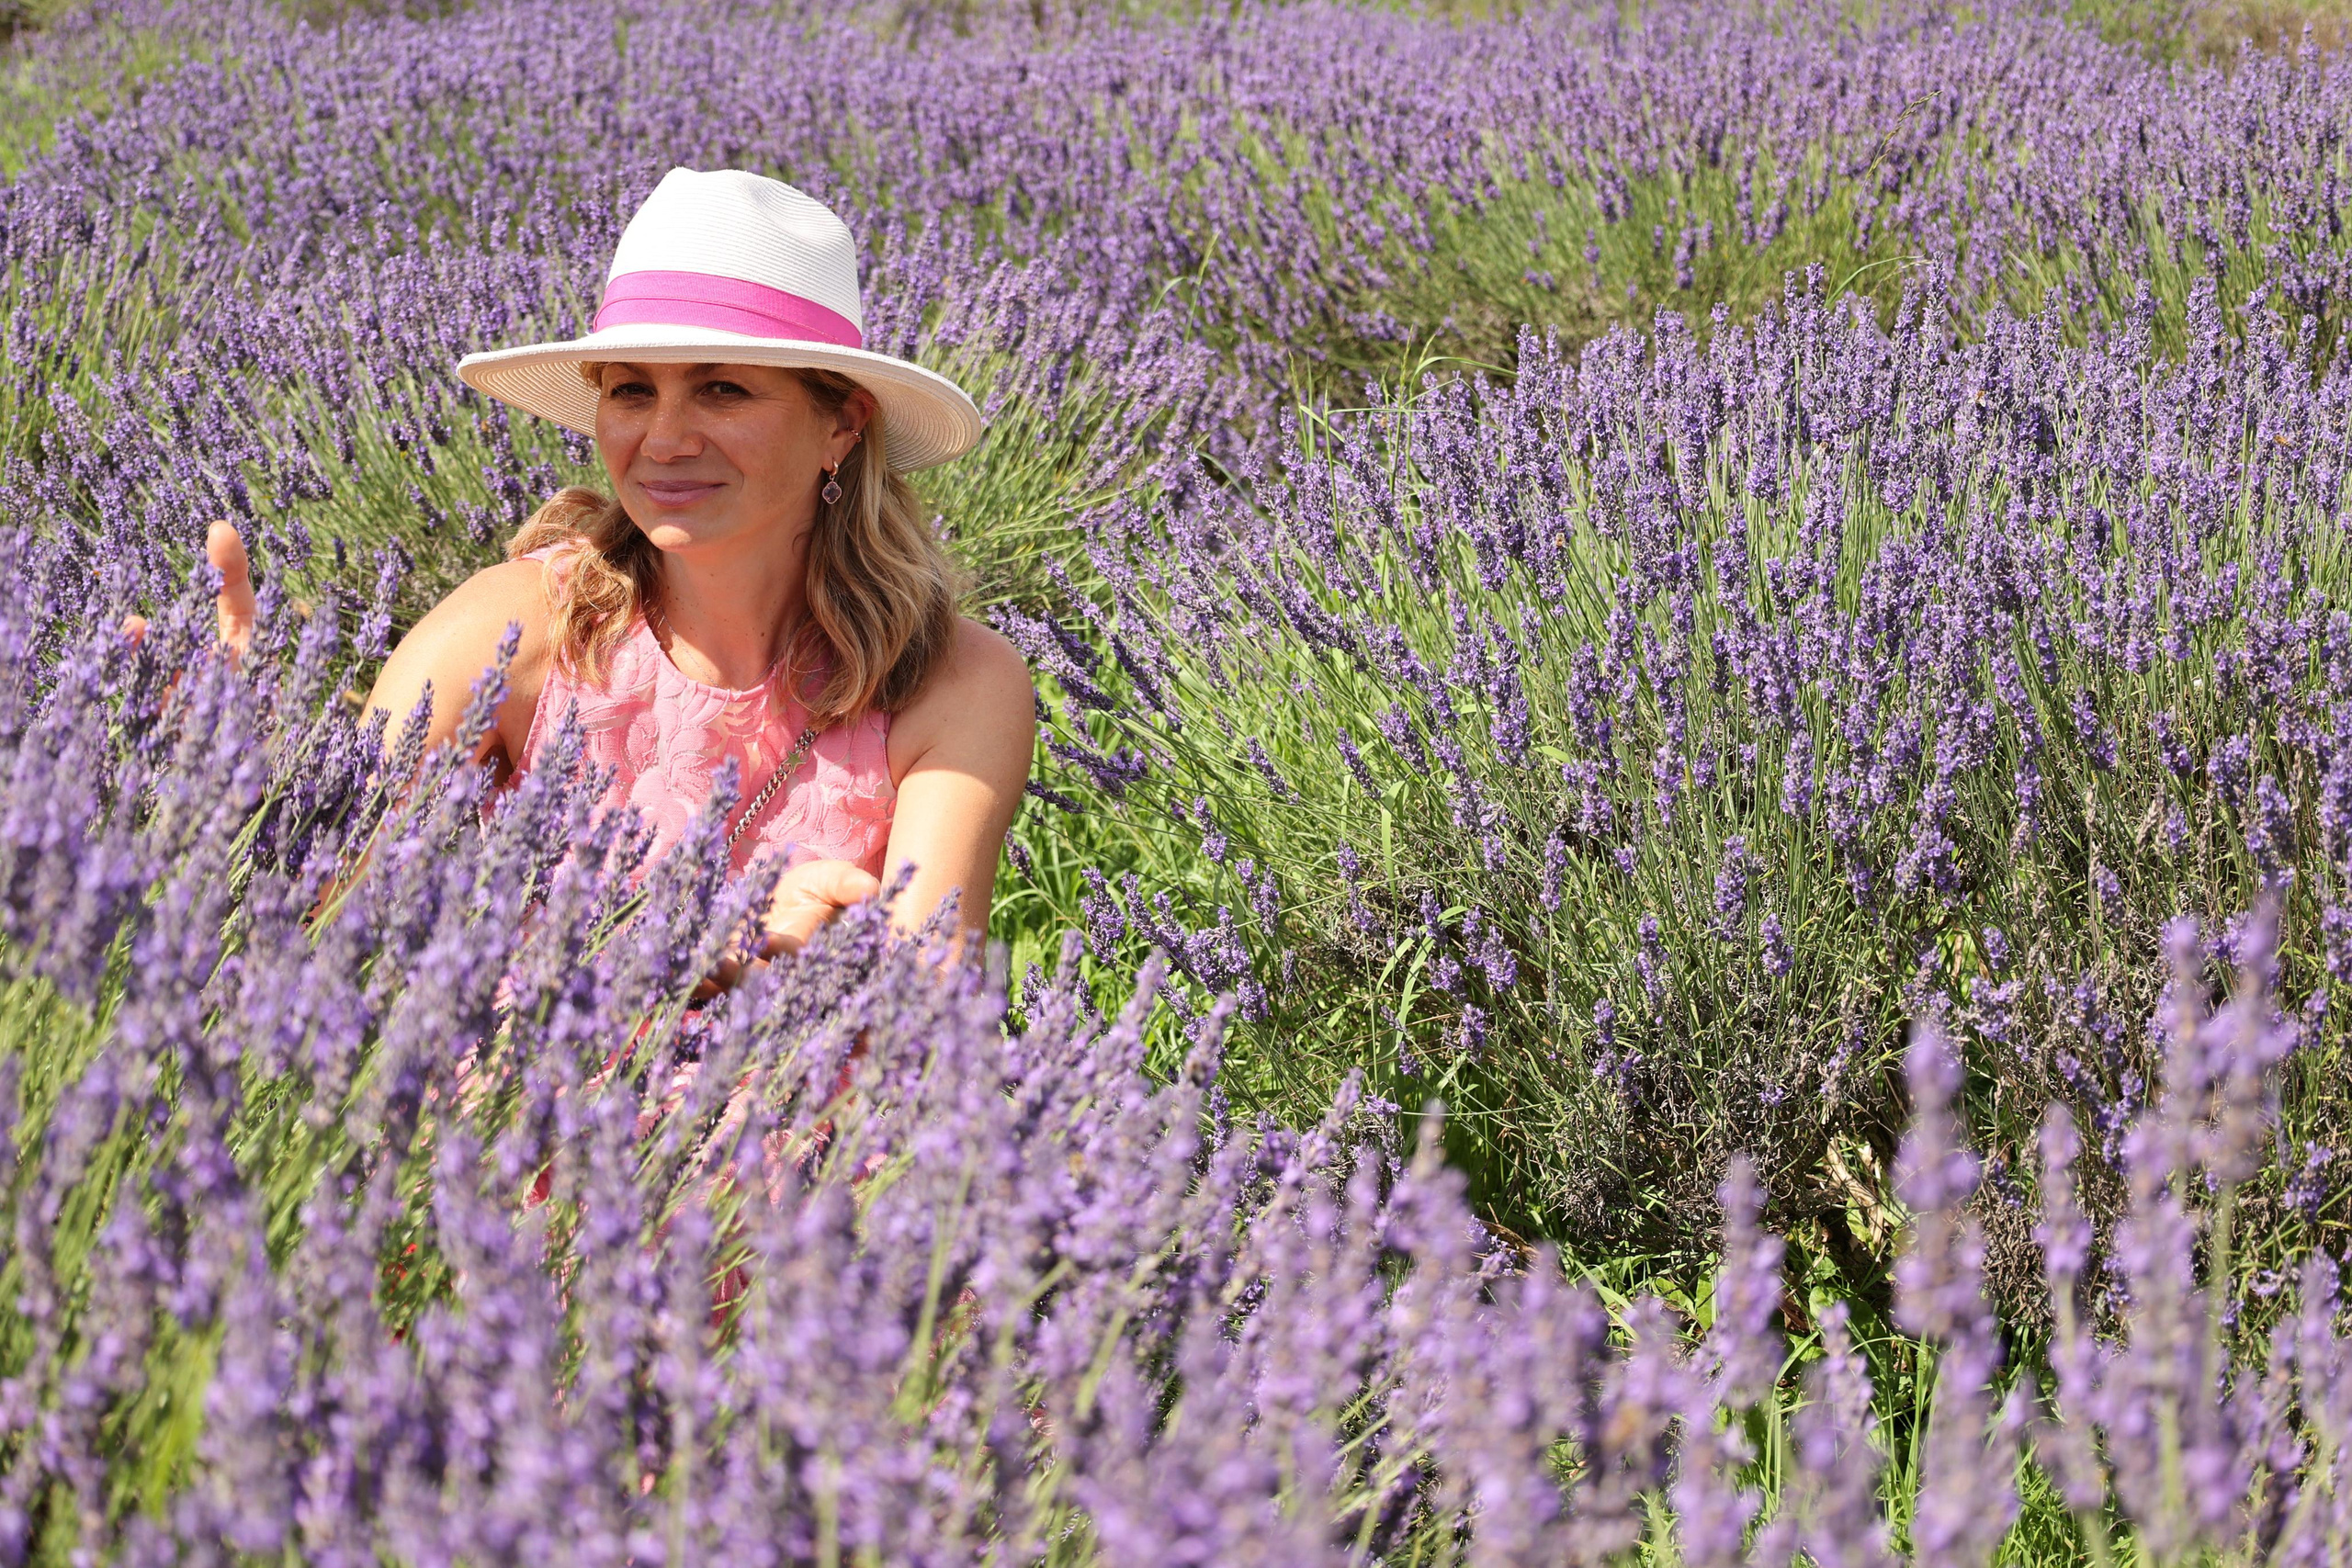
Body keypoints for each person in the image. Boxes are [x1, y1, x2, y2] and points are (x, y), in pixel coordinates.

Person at [196, 167, 1037, 971]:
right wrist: (244, 787)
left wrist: (806, 968)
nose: (663, 440)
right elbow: (327, 903)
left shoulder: (953, 684)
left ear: (842, 425)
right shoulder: (515, 633)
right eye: (632, 390)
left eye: (723, 390)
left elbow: (925, 1018)